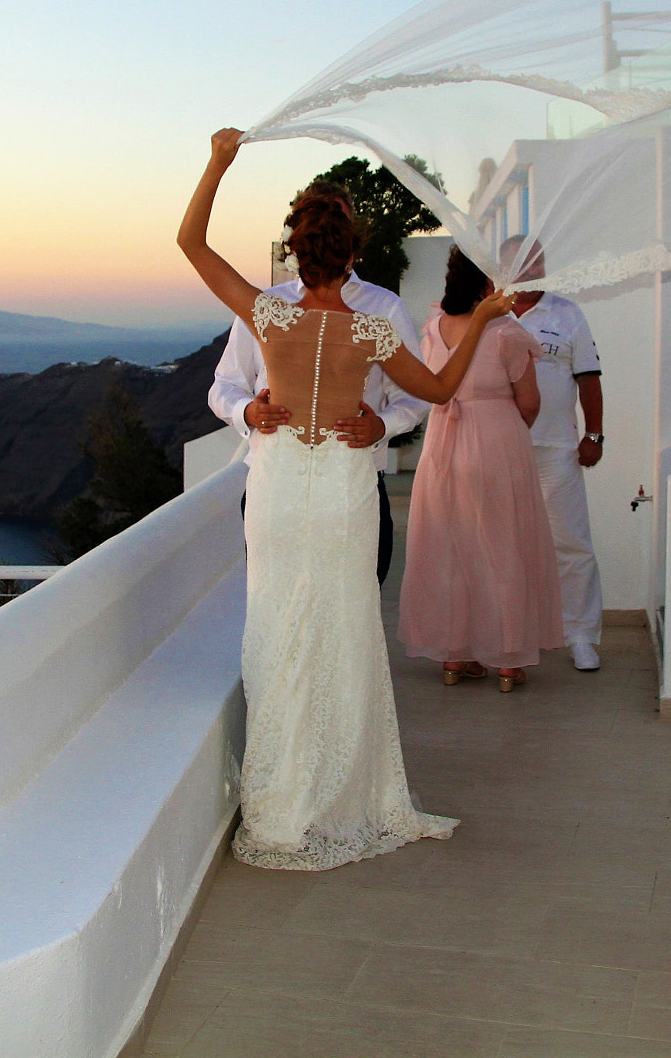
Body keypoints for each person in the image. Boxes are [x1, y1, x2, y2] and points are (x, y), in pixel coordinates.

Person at [179, 128, 516, 871]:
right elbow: (439, 389)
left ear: (296, 252)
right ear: (352, 250)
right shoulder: (370, 326)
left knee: (275, 628)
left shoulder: (267, 314)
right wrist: (485, 318)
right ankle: (337, 791)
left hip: (277, 492)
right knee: (342, 629)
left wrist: (219, 161)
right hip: (340, 491)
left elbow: (191, 241)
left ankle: (279, 800)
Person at [209, 179, 428, 585]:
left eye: (336, 219)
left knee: (352, 608)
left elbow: (416, 397)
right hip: (274, 488)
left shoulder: (384, 307)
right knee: (276, 604)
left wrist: (383, 425)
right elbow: (224, 385)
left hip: (355, 484)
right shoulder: (265, 307)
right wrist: (249, 412)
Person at [398, 247, 564, 693]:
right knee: (503, 545)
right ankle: (508, 661)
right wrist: (508, 430)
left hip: (441, 446)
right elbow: (528, 401)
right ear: (487, 285)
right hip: (496, 441)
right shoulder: (506, 332)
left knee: (450, 546)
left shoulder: (433, 328)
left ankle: (455, 656)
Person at [501, 236, 607, 672]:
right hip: (500, 450)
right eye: (521, 264)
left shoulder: (567, 313)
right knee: (503, 546)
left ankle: (579, 635)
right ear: (503, 268)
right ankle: (508, 637)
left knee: (570, 544)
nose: (530, 270)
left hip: (557, 450)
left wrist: (595, 436)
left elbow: (588, 379)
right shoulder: (489, 315)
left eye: (537, 262)